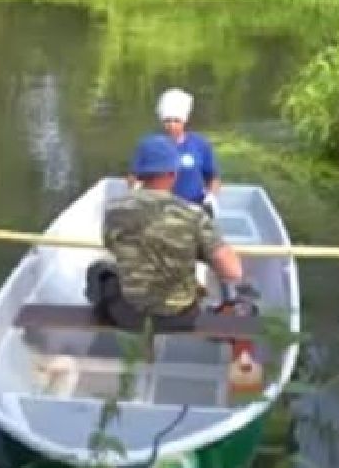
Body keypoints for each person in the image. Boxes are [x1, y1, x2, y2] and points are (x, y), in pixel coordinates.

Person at [90, 134, 248, 332]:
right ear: (173, 174)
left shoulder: (115, 210)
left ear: (139, 174)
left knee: (99, 271)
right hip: (180, 318)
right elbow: (233, 272)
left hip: (128, 315)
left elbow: (112, 245)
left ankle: (101, 319)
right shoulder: (193, 214)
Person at [128, 87, 220, 215]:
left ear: (185, 120)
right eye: (167, 120)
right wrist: (137, 192)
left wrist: (211, 198)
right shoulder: (148, 145)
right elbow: (134, 176)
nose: (172, 125)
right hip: (158, 207)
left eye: (176, 120)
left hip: (193, 206)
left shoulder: (200, 144)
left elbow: (213, 178)